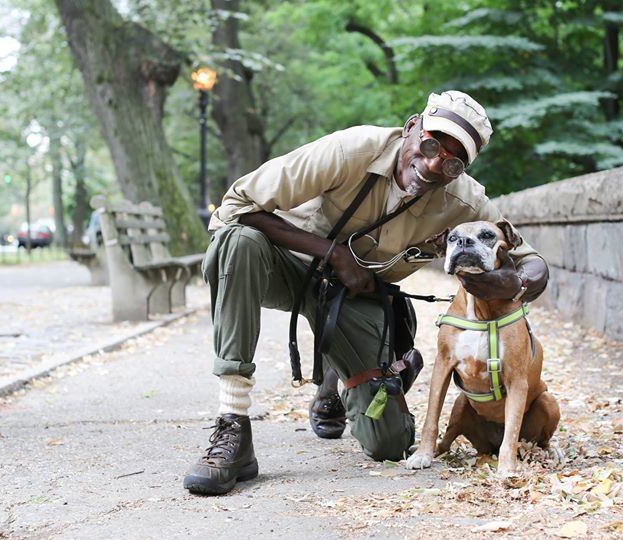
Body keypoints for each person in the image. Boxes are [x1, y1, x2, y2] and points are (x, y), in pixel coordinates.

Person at [183, 90, 549, 495]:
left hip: (354, 298)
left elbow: (533, 263)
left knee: (389, 443)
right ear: (411, 126)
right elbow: (236, 204)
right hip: (285, 267)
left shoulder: (463, 199)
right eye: (429, 144)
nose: (432, 164)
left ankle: (351, 375)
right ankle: (232, 424)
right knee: (237, 241)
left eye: (451, 161)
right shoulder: (350, 150)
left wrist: (512, 283)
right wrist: (334, 253)